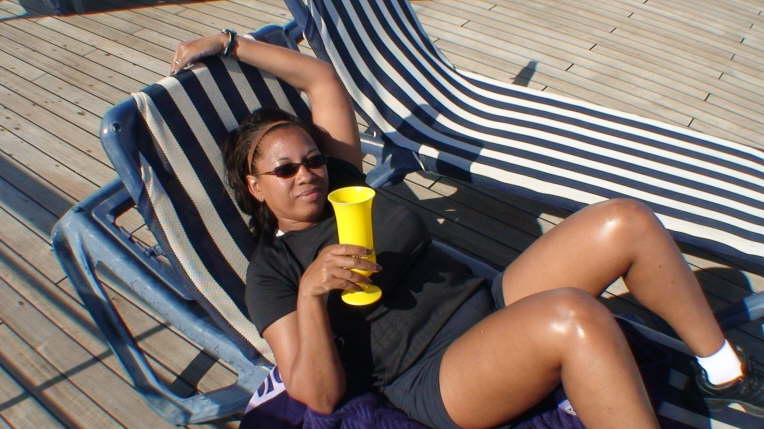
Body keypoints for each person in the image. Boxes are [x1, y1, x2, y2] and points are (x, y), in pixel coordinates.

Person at [171, 31, 764, 429]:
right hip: (436, 372)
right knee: (574, 316)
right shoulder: (273, 271)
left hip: (490, 302)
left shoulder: (342, 182)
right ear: (255, 186)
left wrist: (229, 43)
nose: (306, 174)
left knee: (623, 219)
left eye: (311, 160)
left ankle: (722, 372)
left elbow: (321, 81)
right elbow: (316, 395)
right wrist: (312, 295)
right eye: (285, 170)